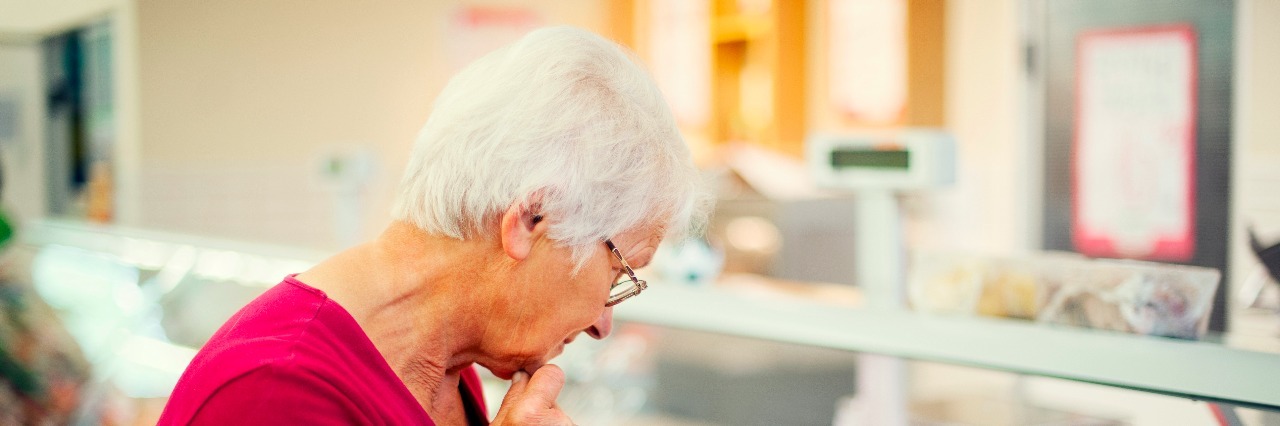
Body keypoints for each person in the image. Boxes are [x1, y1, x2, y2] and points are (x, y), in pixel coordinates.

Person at [157, 25, 708, 425]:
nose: (602, 324)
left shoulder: (454, 360)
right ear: (530, 219)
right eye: (618, 274)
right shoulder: (274, 393)